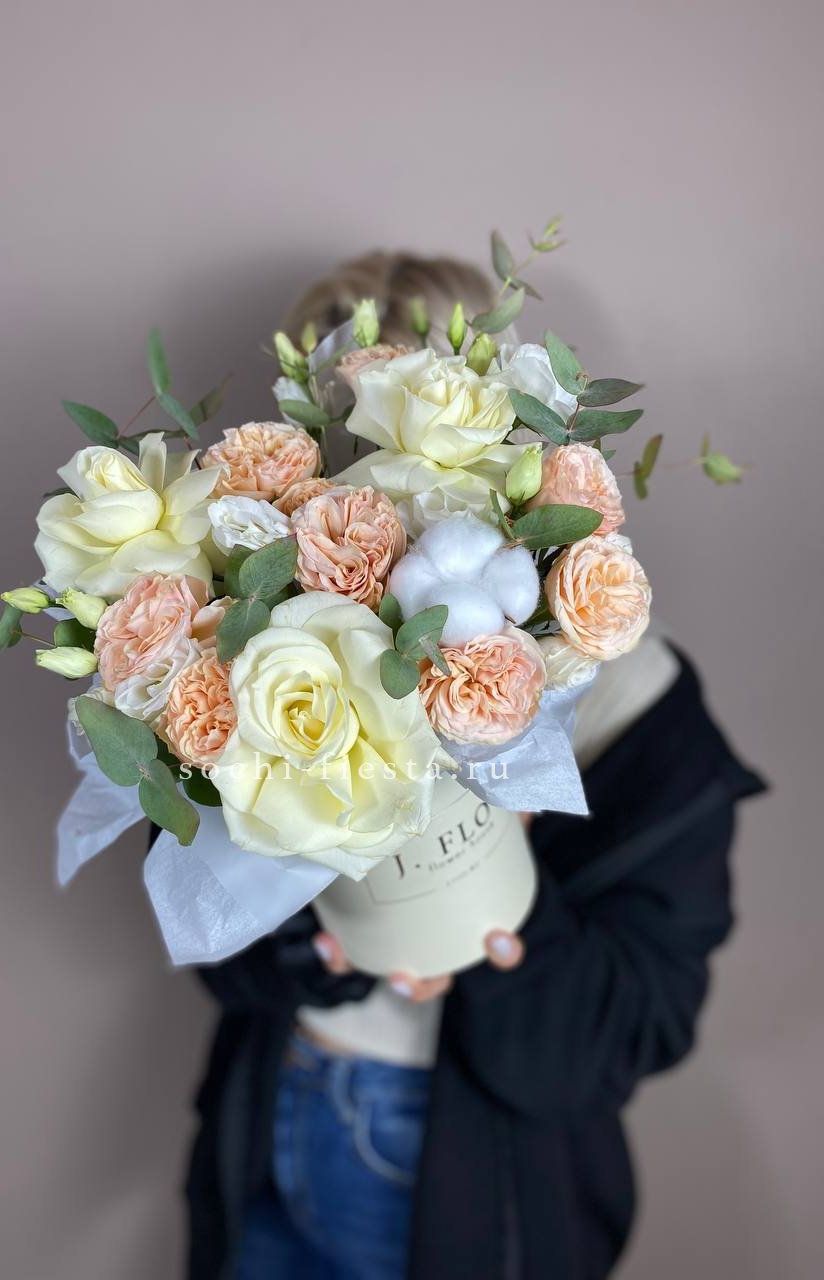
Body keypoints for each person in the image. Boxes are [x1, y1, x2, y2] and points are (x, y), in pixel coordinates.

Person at [183, 253, 766, 1280]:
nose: (360, 478)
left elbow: (636, 1021)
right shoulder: (265, 652)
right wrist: (316, 942)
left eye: (382, 440)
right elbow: (206, 917)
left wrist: (504, 924)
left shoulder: (638, 711)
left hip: (461, 1176)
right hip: (274, 1104)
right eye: (330, 438)